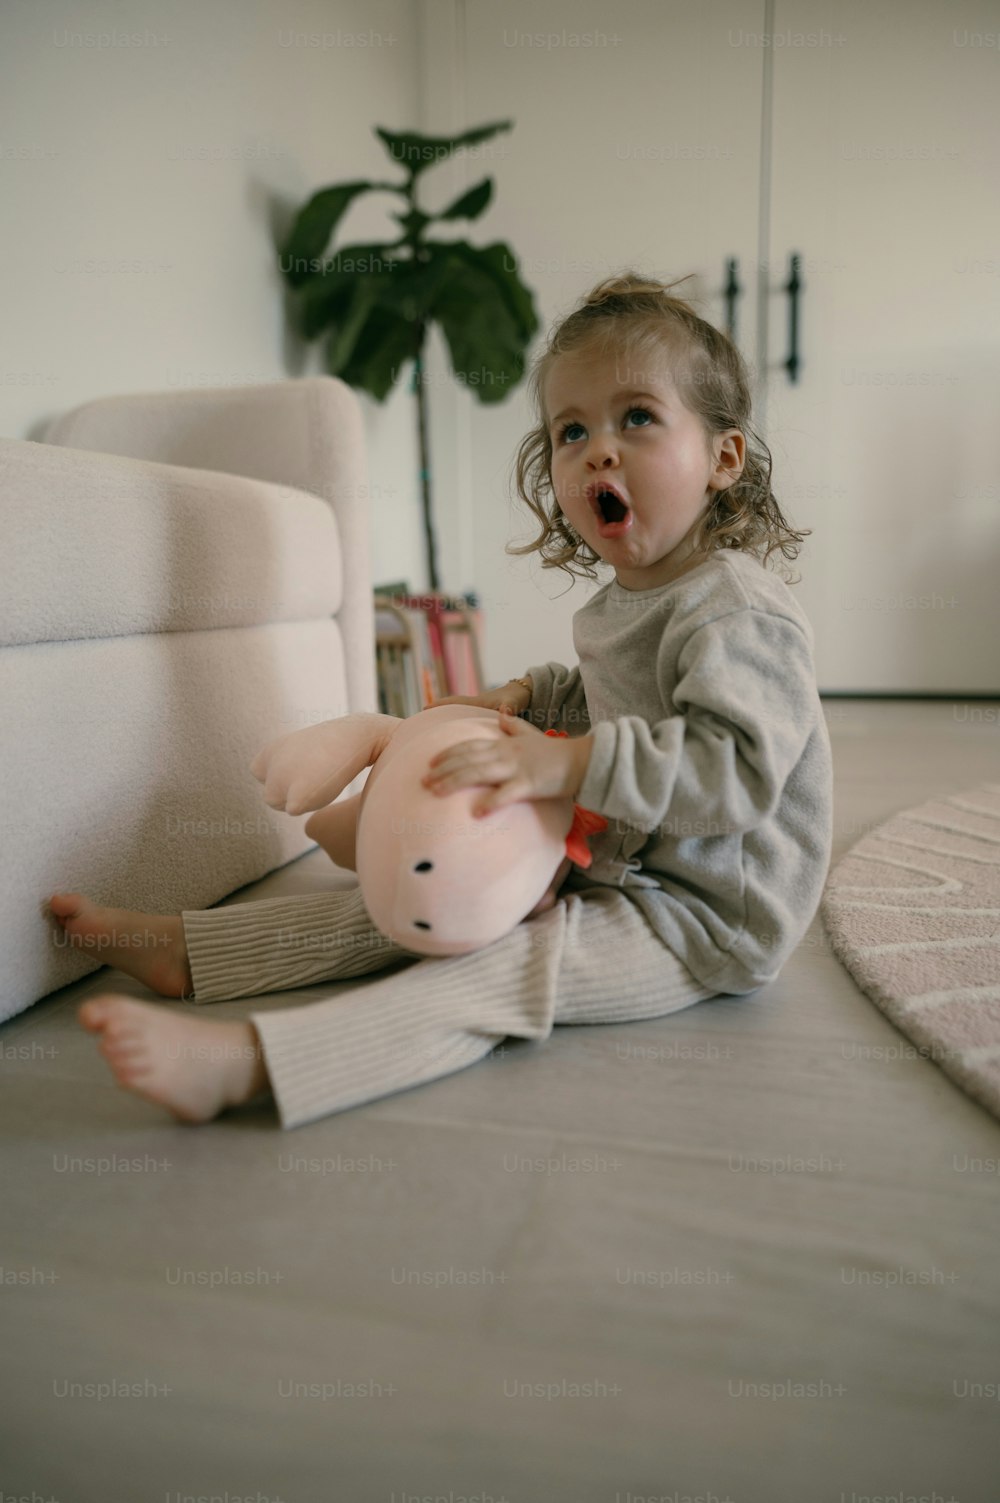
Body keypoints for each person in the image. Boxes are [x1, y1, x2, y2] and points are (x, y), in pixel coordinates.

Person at [48, 270, 833, 1131]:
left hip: (704, 913)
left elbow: (735, 772)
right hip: (617, 858)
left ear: (724, 457)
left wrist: (568, 763)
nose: (599, 450)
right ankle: (188, 953)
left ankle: (255, 1065)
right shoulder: (619, 603)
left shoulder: (739, 613)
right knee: (406, 910)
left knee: (499, 968)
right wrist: (534, 697)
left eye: (637, 417)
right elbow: (617, 701)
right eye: (572, 431)